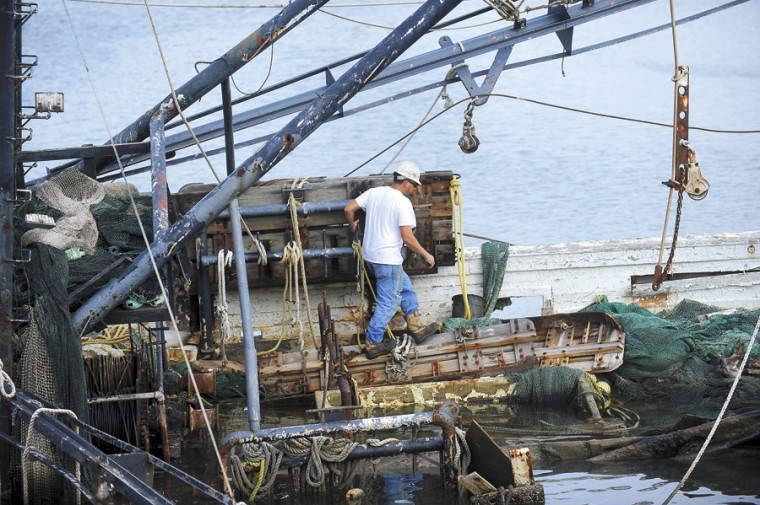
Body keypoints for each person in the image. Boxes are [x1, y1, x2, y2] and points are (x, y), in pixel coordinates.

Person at [344, 160, 439, 359]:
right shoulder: (402, 202)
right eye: (413, 185)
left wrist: (353, 226)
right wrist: (426, 254)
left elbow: (349, 209)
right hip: (388, 259)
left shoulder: (374, 193)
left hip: (371, 256)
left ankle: (416, 327)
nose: (413, 190)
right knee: (388, 303)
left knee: (404, 286)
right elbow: (407, 237)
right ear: (406, 183)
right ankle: (372, 343)